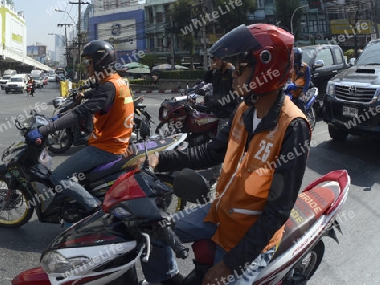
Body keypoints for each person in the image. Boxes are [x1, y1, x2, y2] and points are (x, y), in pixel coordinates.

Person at [139, 24, 311, 285]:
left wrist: (229, 266)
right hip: (220, 213)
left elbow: (277, 212)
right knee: (154, 231)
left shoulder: (293, 127)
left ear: (265, 69)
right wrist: (161, 159)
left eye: (240, 69)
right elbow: (211, 152)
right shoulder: (244, 110)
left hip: (251, 237)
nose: (233, 75)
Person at [26, 40, 134, 216]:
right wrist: (59, 117)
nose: (86, 66)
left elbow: (80, 112)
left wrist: (45, 129)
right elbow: (90, 97)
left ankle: (96, 209)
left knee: (58, 176)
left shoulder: (109, 86)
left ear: (99, 63)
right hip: (114, 141)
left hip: (107, 147)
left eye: (89, 62)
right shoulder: (115, 81)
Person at [285, 47, 311, 113]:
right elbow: (287, 78)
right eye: (294, 57)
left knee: (301, 101)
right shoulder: (290, 67)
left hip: (301, 90)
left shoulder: (305, 67)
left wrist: (303, 92)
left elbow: (308, 81)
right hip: (292, 89)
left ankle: (303, 118)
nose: (295, 58)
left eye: (296, 56)